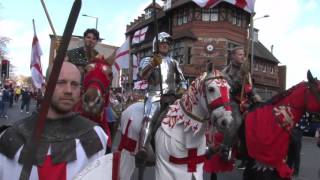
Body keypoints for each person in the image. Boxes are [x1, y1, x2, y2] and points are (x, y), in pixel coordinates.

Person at [0, 62, 108, 180]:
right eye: (61, 82)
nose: (68, 90)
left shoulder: (97, 136)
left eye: (75, 84)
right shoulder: (9, 137)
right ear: (45, 88)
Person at [135, 32, 188, 161]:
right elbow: (143, 76)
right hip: (155, 96)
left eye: (167, 44)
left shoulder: (174, 62)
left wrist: (182, 88)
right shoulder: (147, 59)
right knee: (149, 118)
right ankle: (142, 149)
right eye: (162, 43)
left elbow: (182, 80)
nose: (165, 45)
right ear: (156, 45)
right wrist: (152, 64)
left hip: (173, 96)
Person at [221, 46, 262, 169]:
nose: (243, 57)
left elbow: (249, 87)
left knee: (257, 120)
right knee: (237, 121)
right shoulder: (225, 72)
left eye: (243, 55)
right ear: (232, 56)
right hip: (232, 100)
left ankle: (249, 154)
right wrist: (241, 78)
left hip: (246, 101)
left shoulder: (246, 70)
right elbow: (231, 88)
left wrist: (254, 95)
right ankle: (225, 147)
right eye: (239, 54)